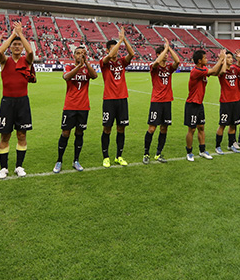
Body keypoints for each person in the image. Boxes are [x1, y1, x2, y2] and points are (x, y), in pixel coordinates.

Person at [0, 21, 35, 179]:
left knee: (22, 135)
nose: (17, 47)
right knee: (5, 136)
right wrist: (13, 34)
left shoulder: (27, 61)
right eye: (15, 45)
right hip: (7, 102)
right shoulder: (5, 61)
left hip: (22, 102)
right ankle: (3, 168)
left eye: (19, 44)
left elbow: (30, 51)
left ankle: (19, 166)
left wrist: (21, 34)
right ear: (11, 47)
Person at [54, 45, 98, 173]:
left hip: (83, 107)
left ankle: (76, 160)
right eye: (78, 53)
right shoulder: (69, 67)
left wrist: (86, 63)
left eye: (83, 53)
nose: (80, 55)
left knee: (79, 133)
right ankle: (59, 161)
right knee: (65, 133)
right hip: (70, 106)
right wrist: (79, 66)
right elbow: (66, 77)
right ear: (74, 55)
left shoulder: (87, 69)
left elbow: (94, 76)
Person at [100, 28, 135, 167]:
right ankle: (106, 157)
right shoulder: (105, 62)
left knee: (121, 128)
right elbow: (110, 56)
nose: (117, 51)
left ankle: (119, 156)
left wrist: (124, 39)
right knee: (107, 129)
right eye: (113, 49)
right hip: (109, 99)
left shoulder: (121, 62)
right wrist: (119, 41)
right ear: (108, 50)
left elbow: (131, 53)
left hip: (122, 99)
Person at [184, 49, 226, 161]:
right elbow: (213, 71)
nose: (207, 59)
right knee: (191, 129)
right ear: (199, 60)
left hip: (199, 104)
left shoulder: (203, 69)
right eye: (205, 58)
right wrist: (221, 59)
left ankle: (202, 150)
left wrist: (222, 61)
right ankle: (189, 152)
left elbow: (215, 72)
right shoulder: (195, 71)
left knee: (201, 127)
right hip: (192, 104)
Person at [143, 39, 180, 164]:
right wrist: (165, 49)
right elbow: (156, 62)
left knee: (164, 128)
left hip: (167, 101)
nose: (166, 56)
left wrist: (169, 48)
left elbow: (178, 61)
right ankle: (146, 153)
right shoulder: (154, 67)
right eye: (164, 54)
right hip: (156, 101)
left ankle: (158, 154)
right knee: (152, 128)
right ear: (158, 55)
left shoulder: (169, 68)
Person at [215, 50, 240, 154]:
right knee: (223, 124)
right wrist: (223, 59)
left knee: (233, 125)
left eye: (231, 57)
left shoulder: (234, 69)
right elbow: (224, 71)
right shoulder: (221, 70)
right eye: (228, 57)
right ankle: (218, 146)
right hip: (226, 102)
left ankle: (230, 145)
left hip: (236, 101)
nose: (231, 59)